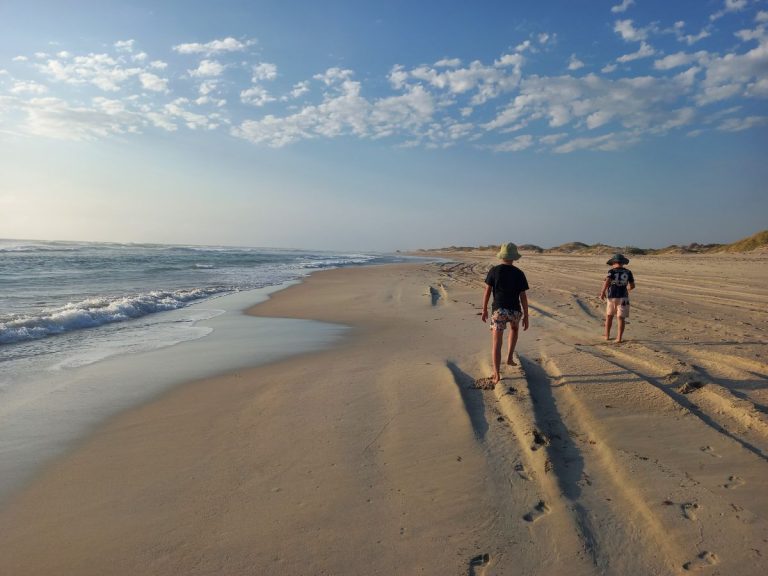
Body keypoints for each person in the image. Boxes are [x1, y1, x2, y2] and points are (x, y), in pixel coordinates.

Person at [481, 243, 529, 384]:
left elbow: (487, 292)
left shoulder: (494, 271)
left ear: (502, 256)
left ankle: (496, 373)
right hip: (515, 311)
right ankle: (509, 358)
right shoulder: (519, 273)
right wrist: (526, 315)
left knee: (497, 341)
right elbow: (523, 297)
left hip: (499, 310)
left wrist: (484, 309)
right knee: (514, 329)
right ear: (514, 258)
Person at [599, 253, 636, 343]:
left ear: (614, 263)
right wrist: (627, 289)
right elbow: (632, 285)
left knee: (609, 316)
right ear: (623, 263)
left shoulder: (611, 271)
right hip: (623, 297)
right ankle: (619, 338)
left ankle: (607, 336)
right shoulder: (628, 272)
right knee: (621, 318)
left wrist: (602, 292)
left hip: (612, 297)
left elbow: (607, 281)